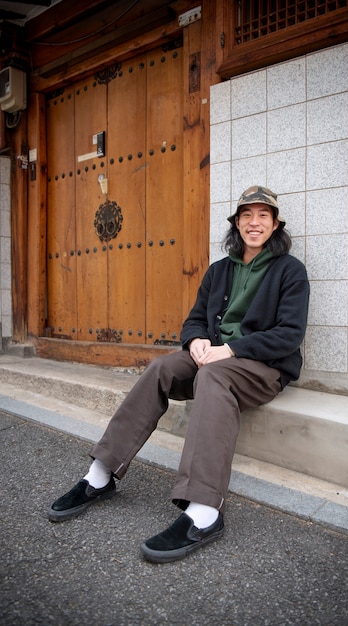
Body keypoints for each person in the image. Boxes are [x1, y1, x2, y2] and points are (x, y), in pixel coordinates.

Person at [48, 185, 310, 564]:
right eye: (246, 216)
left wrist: (231, 349)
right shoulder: (220, 270)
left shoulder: (290, 271)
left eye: (263, 216)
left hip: (260, 368)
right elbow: (194, 321)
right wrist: (197, 342)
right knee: (162, 367)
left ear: (275, 224)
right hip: (217, 358)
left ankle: (204, 511)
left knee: (213, 378)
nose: (254, 223)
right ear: (236, 224)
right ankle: (100, 474)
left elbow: (290, 334)